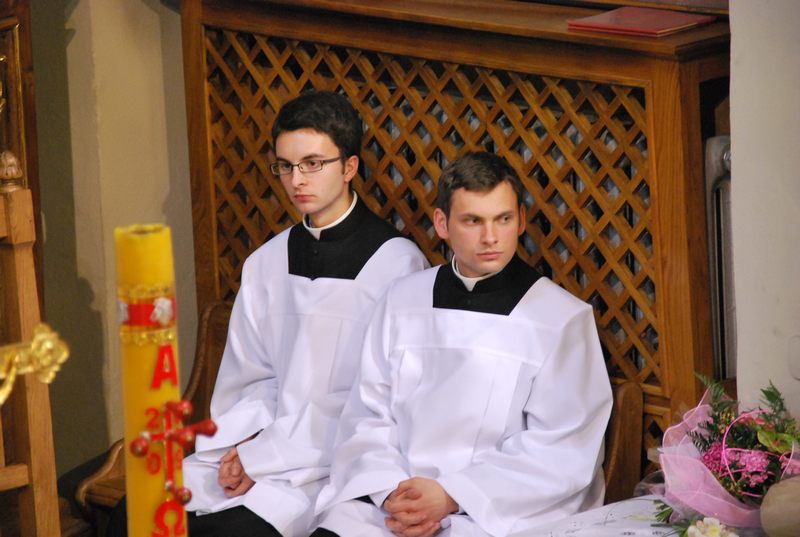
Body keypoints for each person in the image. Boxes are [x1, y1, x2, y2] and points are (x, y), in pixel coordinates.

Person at [106, 90, 428, 537]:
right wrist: (242, 445)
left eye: (313, 164)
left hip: (329, 463)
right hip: (259, 446)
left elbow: (378, 402)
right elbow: (249, 379)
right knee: (135, 510)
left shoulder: (396, 265)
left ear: (349, 166)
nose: (297, 180)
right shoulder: (266, 262)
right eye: (286, 166)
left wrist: (267, 456)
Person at [311, 151, 613, 537]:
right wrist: (393, 493)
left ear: (521, 220)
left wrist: (452, 494)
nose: (491, 238)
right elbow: (368, 412)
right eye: (473, 221)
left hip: (493, 514)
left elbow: (562, 448)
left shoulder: (560, 318)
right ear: (442, 223)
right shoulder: (401, 301)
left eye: (503, 219)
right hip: (395, 501)